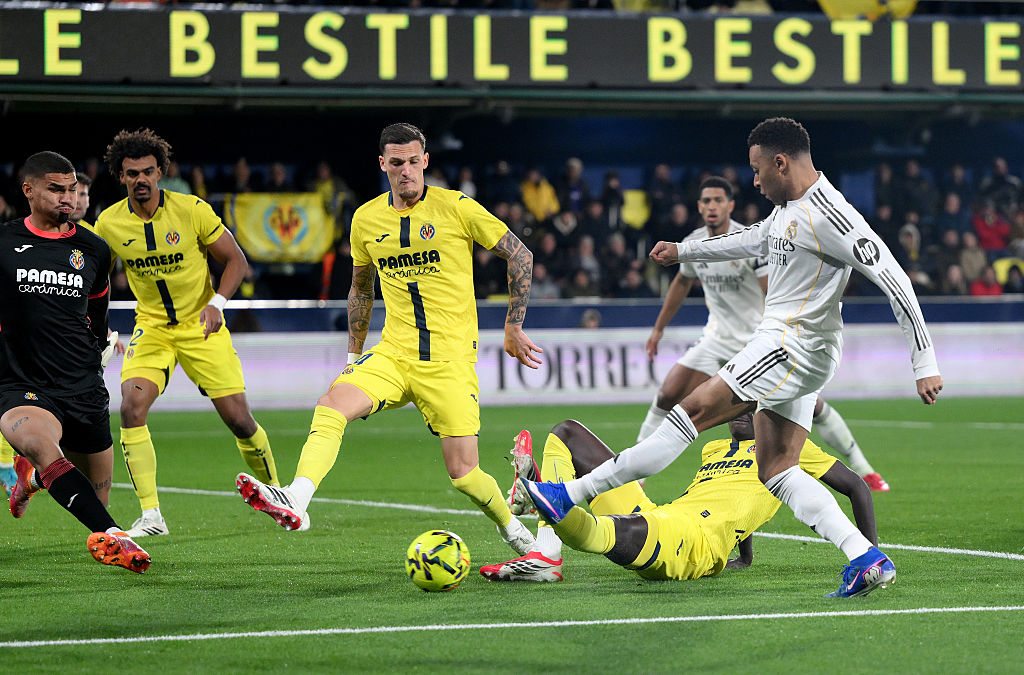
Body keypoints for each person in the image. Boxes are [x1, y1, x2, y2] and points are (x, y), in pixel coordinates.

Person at [524, 118, 943, 598]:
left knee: (690, 412)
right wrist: (684, 250)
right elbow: (751, 240)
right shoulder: (790, 209)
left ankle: (569, 495)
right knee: (778, 469)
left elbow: (895, 279)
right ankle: (864, 557)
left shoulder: (832, 215)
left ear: (780, 162)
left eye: (758, 169)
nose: (755, 180)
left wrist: (923, 362)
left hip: (790, 344)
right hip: (799, 350)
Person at [235, 123, 543, 556]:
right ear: (383, 165)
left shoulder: (457, 207)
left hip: (449, 362)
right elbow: (361, 288)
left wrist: (513, 325)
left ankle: (514, 530)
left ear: (425, 162)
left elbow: (520, 254)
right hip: (394, 355)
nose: (406, 172)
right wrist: (353, 356)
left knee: (464, 474)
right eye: (396, 163)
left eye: (414, 162)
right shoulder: (365, 219)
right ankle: (297, 499)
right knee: (331, 405)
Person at [639, 176, 890, 491]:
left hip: (754, 340)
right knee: (667, 393)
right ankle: (637, 481)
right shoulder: (694, 242)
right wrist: (658, 329)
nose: (711, 206)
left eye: (718, 200)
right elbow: (681, 282)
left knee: (812, 407)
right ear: (699, 206)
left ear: (730, 205)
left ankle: (864, 468)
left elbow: (773, 291)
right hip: (715, 340)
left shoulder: (749, 241)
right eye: (706, 201)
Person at [94, 128, 279, 538]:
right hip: (153, 329)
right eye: (130, 174)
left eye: (146, 171)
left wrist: (217, 304)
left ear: (160, 171)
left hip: (202, 326)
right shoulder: (108, 223)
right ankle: (151, 516)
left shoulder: (192, 209)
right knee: (130, 408)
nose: (140, 180)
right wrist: (98, 325)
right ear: (120, 177)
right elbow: (93, 281)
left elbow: (235, 260)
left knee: (239, 420)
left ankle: (280, 493)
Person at [482, 414, 876, 586]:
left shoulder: (788, 446)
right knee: (566, 432)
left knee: (603, 533)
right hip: (666, 517)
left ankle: (545, 507)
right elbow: (738, 497)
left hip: (695, 543)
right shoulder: (715, 448)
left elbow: (856, 486)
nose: (743, 413)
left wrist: (869, 553)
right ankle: (548, 549)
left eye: (754, 407)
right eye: (740, 404)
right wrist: (747, 554)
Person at [1, 151, 150, 572]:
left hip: (82, 384)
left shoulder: (95, 250)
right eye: (55, 189)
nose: (67, 198)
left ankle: (29, 479)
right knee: (43, 447)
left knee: (93, 492)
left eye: (72, 190)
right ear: (28, 190)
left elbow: (97, 317)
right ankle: (117, 537)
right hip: (21, 383)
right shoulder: (4, 243)